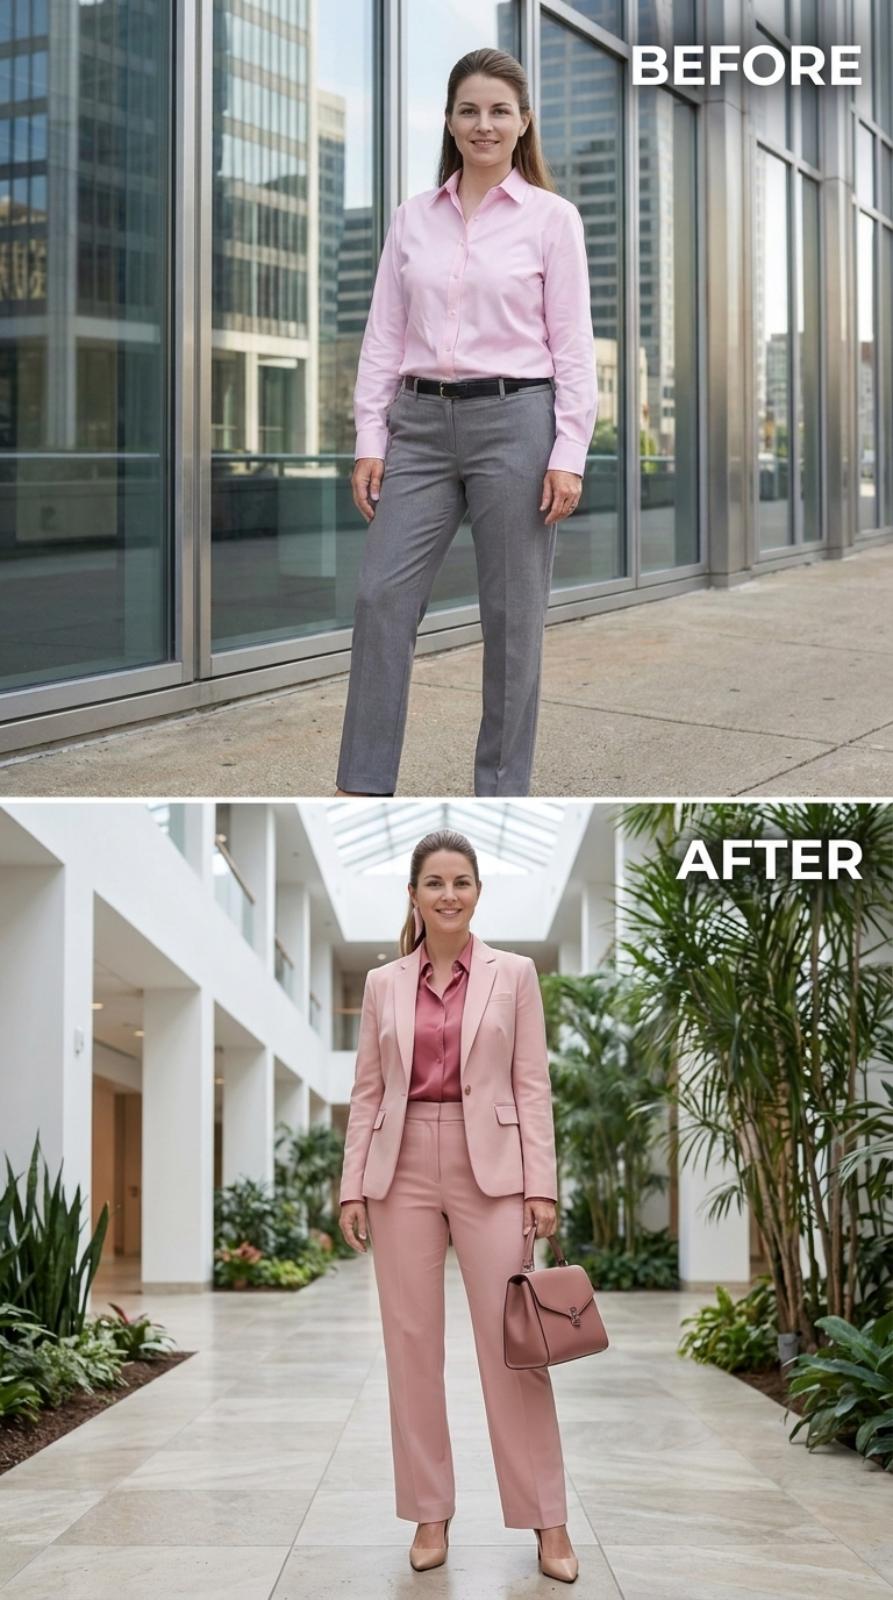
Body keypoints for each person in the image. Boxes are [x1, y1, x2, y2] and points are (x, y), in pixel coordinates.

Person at [335, 46, 598, 799]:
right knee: (380, 597)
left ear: (522, 125)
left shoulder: (552, 219)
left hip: (517, 421)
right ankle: (362, 784)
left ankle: (500, 790)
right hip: (417, 424)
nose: (483, 124)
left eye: (498, 111)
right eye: (468, 110)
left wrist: (568, 449)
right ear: (449, 122)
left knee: (512, 622)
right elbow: (383, 335)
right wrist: (369, 437)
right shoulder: (412, 219)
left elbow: (572, 343)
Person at [338, 829, 578, 1583]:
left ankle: (548, 1523)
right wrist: (352, 1185)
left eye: (462, 881)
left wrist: (540, 1182)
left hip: (493, 1169)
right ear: (412, 894)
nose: (448, 893)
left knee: (514, 1349)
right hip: (399, 1165)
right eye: (434, 882)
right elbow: (368, 1092)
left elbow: (530, 1084)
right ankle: (429, 1513)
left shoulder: (515, 974)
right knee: (410, 1348)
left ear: (478, 892)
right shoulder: (384, 984)